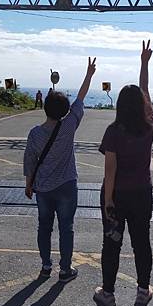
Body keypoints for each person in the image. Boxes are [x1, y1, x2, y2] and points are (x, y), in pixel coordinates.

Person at [23, 58, 97, 283]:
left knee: (44, 226)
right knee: (67, 227)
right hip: (67, 186)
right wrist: (89, 74)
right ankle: (65, 269)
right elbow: (81, 97)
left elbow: (30, 162)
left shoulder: (35, 133)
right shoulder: (69, 125)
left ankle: (46, 265)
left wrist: (28, 185)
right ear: (65, 111)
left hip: (43, 188)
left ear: (45, 108)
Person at [94, 40, 153, 306]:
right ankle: (143, 291)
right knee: (142, 243)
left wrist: (108, 202)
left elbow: (110, 170)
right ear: (141, 105)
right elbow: (146, 91)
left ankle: (108, 293)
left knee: (112, 244)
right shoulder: (149, 125)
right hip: (142, 195)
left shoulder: (113, 130)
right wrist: (144, 64)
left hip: (117, 196)